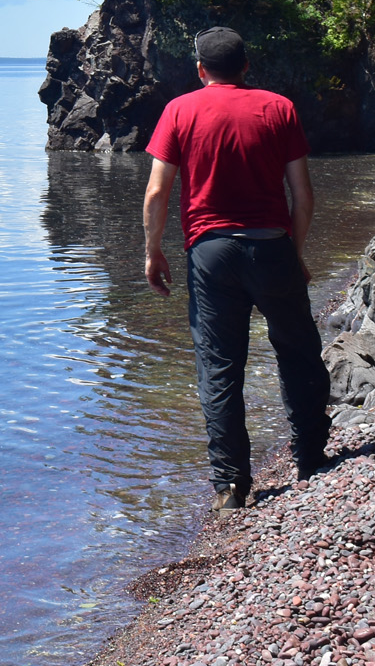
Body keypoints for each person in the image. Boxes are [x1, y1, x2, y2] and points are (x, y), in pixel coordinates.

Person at [141, 26, 329, 510]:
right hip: (272, 246)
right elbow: (303, 195)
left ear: (200, 69)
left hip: (211, 253)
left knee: (219, 365)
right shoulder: (279, 108)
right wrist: (295, 254)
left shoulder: (179, 110)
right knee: (298, 352)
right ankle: (311, 459)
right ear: (245, 66)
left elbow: (158, 191)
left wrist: (153, 251)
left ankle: (231, 486)